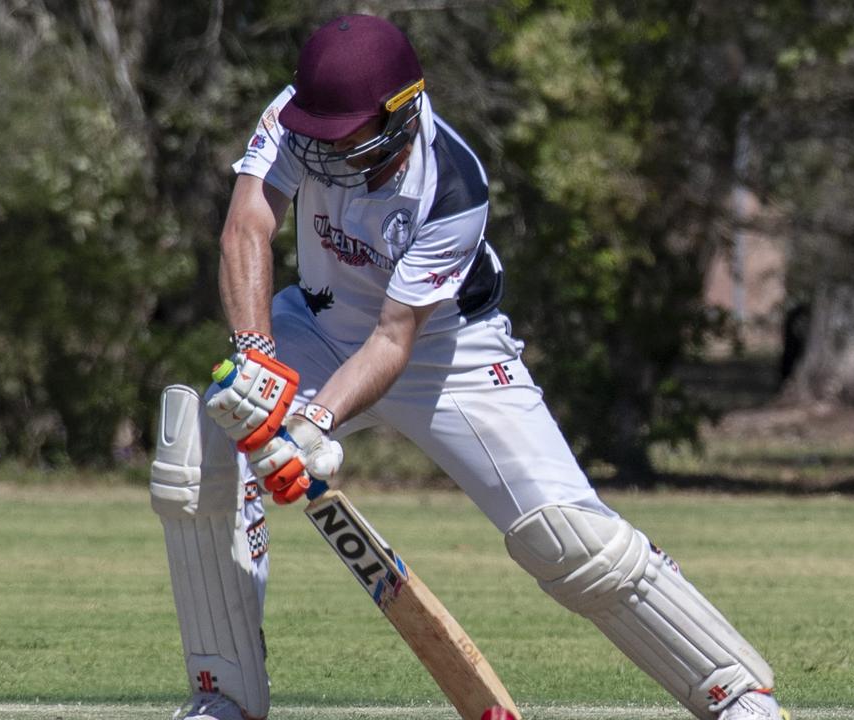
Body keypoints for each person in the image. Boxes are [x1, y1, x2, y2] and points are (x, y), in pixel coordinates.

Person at [148, 14, 787, 720]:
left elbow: (394, 340)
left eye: (345, 140)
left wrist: (313, 421)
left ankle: (733, 693)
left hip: (446, 352)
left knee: (572, 541)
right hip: (320, 323)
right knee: (199, 456)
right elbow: (248, 225)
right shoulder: (302, 117)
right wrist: (257, 361)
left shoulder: (451, 187)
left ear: (401, 113)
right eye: (315, 136)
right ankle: (224, 701)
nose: (322, 153)